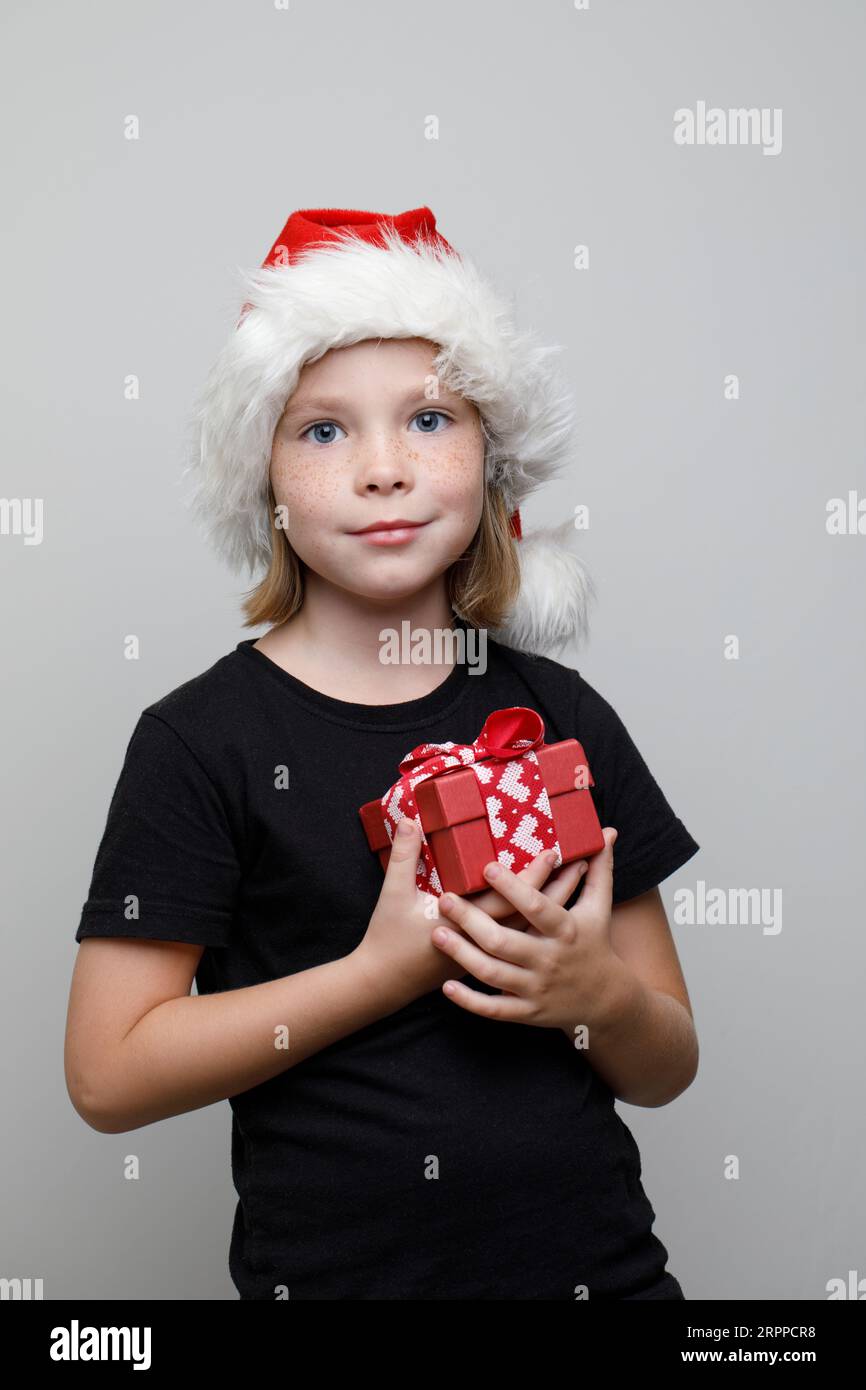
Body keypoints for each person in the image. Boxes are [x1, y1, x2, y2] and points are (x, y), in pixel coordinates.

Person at [65, 207, 701, 1300]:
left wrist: (592, 991)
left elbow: (664, 1065)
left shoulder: (561, 717)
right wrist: (378, 972)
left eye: (427, 419)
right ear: (258, 480)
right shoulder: (200, 742)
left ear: (490, 461)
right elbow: (108, 1074)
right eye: (321, 430)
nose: (381, 470)